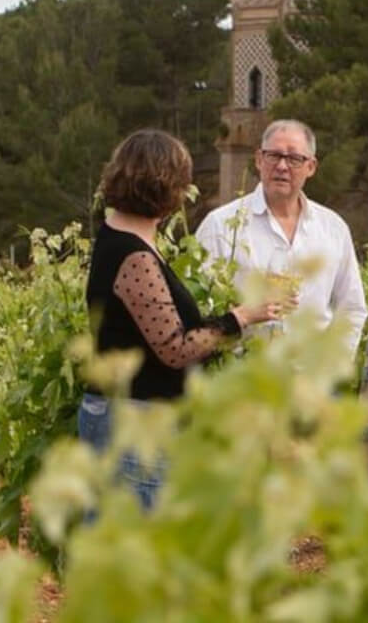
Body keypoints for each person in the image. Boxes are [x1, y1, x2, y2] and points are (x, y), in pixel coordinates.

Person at [81, 128, 282, 506]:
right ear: (165, 186)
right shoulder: (134, 256)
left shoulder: (122, 238)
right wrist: (239, 318)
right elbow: (174, 349)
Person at [195, 119, 368, 354]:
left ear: (311, 167)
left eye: (294, 159)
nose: (282, 166)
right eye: (273, 156)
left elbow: (352, 308)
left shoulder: (333, 229)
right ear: (259, 159)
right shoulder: (221, 225)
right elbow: (198, 309)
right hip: (242, 379)